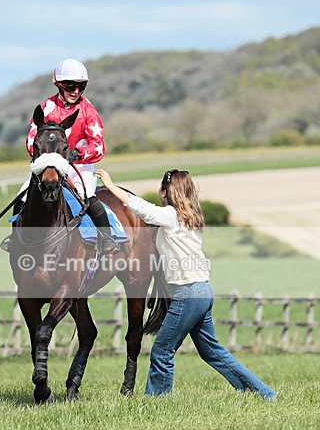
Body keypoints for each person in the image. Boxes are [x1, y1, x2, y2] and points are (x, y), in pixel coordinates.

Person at [94, 167, 277, 401]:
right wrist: (192, 193)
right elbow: (185, 202)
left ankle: (156, 403)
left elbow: (139, 207)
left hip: (187, 294)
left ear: (163, 192)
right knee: (213, 352)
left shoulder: (170, 216)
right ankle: (265, 393)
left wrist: (109, 186)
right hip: (203, 291)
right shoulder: (192, 215)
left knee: (162, 351)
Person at [1, 58, 118, 255]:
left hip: (79, 165)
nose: (76, 91)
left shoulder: (88, 110)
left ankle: (107, 238)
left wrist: (76, 153)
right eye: (70, 85)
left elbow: (98, 147)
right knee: (22, 194)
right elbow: (31, 141)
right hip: (48, 164)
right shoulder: (46, 107)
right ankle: (15, 238)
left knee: (86, 194)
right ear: (59, 85)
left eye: (81, 86)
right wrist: (50, 159)